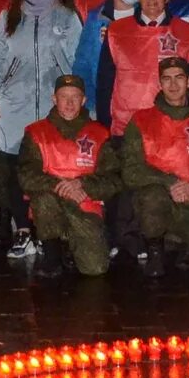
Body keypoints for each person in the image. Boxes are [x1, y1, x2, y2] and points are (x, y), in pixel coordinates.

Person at [0, 0, 82, 263]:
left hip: (55, 107)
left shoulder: (67, 18)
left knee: (51, 168)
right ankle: (23, 228)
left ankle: (48, 229)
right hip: (16, 105)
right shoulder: (9, 17)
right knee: (17, 170)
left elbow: (78, 60)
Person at [107, 55, 189, 273]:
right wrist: (169, 182)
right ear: (160, 83)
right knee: (153, 197)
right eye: (167, 79)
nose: (173, 84)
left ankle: (177, 238)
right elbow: (131, 170)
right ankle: (155, 249)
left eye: (179, 78)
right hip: (156, 200)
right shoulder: (141, 121)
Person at [19, 74, 115, 278]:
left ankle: (73, 245)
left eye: (75, 97)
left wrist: (82, 185)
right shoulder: (36, 132)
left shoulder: (100, 134)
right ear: (54, 99)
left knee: (96, 268)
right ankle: (52, 254)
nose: (70, 103)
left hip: (85, 206)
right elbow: (26, 175)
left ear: (84, 100)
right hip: (51, 203)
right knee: (43, 200)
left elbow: (114, 178)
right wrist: (60, 185)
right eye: (64, 97)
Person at [84, 0, 189, 129]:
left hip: (173, 125)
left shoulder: (187, 33)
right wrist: (104, 125)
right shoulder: (117, 31)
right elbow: (105, 82)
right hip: (126, 125)